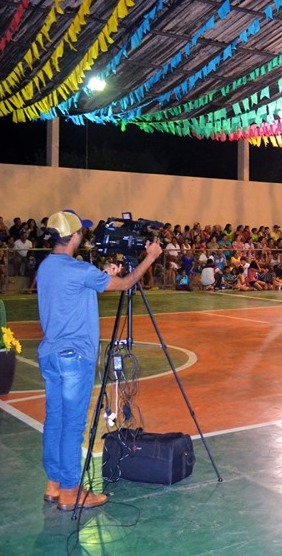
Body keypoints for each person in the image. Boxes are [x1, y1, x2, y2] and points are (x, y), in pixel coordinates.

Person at [36, 209, 162, 512]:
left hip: (51, 355)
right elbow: (127, 283)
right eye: (81, 232)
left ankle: (54, 484)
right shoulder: (77, 269)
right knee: (72, 425)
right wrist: (150, 258)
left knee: (55, 420)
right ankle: (70, 490)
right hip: (73, 358)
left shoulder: (47, 267)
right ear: (74, 236)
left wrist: (105, 276)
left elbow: (79, 288)